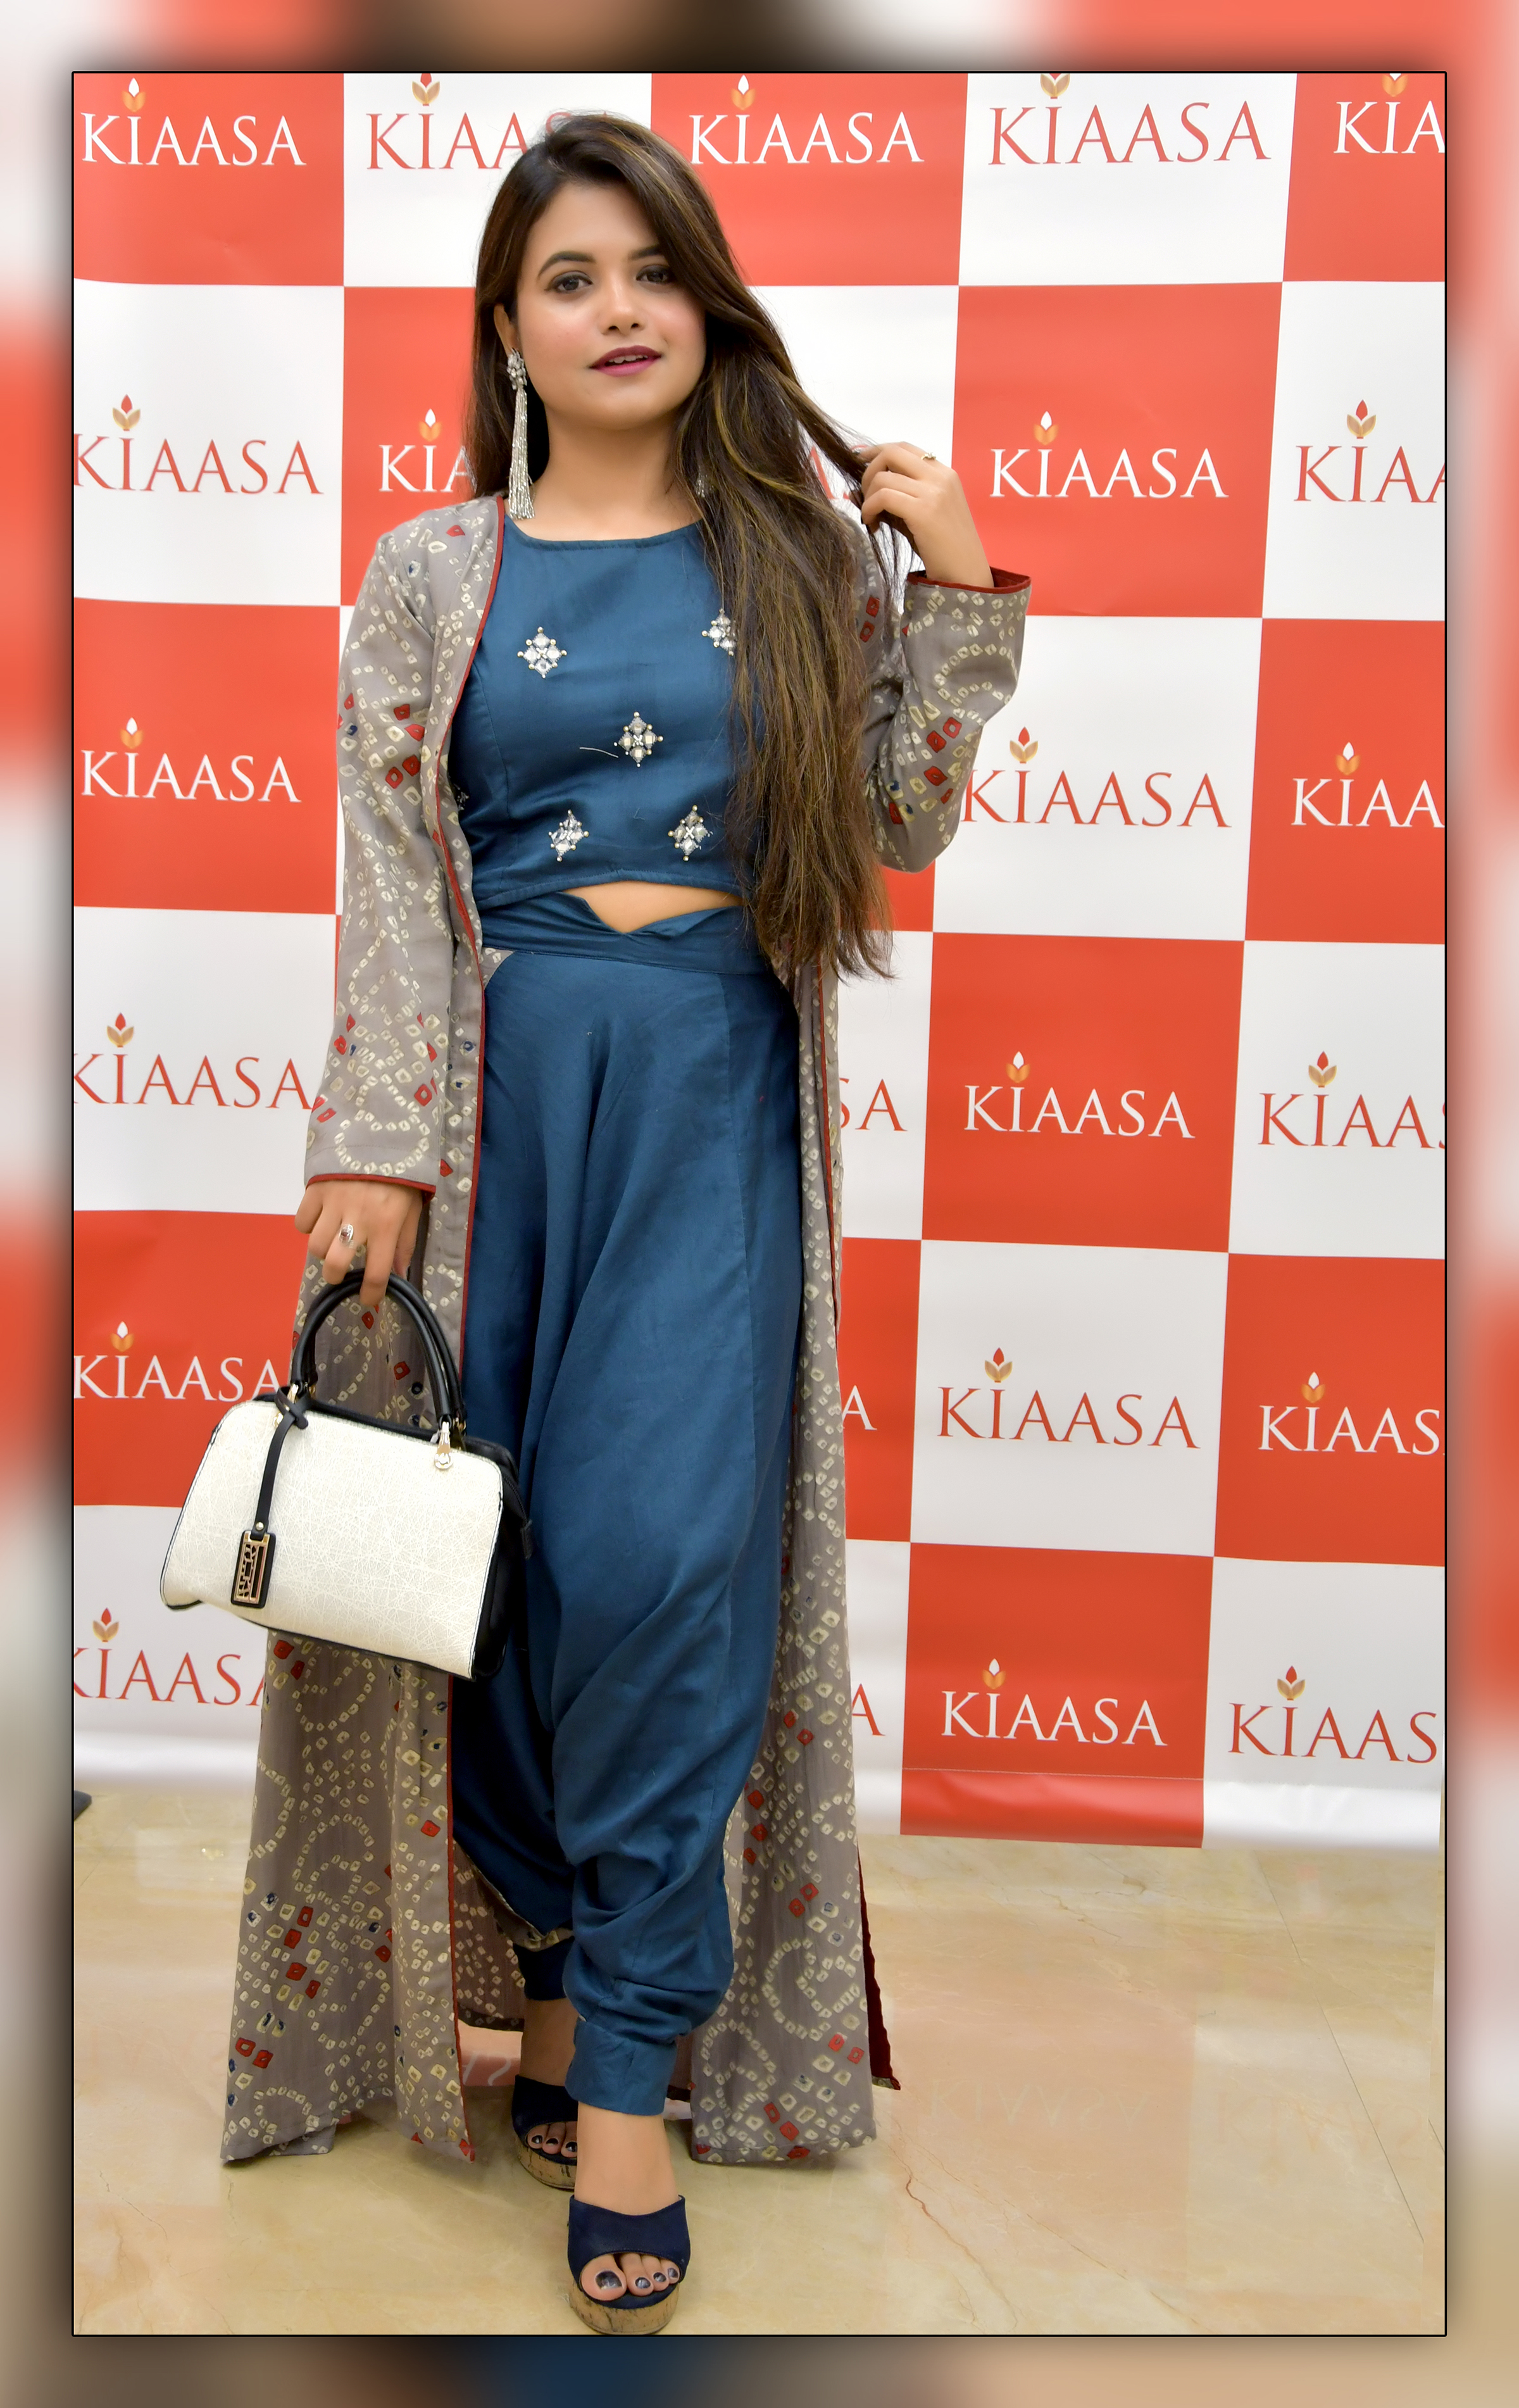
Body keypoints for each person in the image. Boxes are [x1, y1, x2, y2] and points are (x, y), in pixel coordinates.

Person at [222, 113, 1028, 2335]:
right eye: (570, 277)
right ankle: (562, 1990)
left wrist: (958, 590)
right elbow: (393, 873)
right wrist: (369, 1140)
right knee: (497, 1570)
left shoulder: (795, 552)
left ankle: (639, 2074)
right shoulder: (432, 570)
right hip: (493, 1123)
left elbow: (896, 826)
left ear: (709, 299)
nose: (620, 309)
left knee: (665, 1566)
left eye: (655, 268)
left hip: (707, 1101)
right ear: (509, 326)